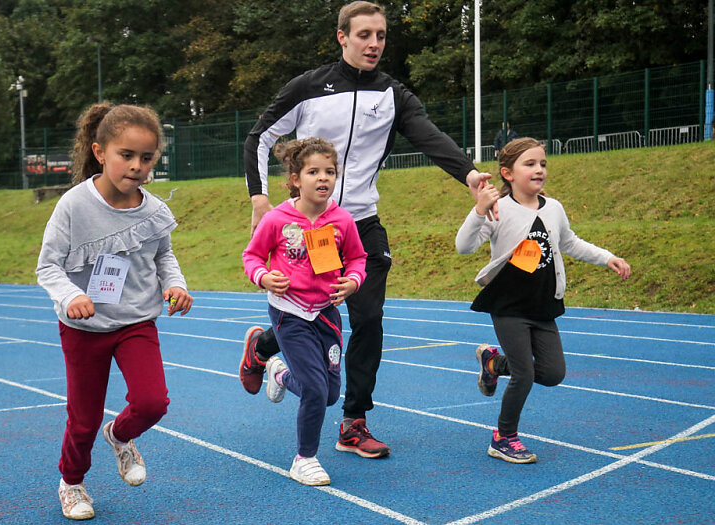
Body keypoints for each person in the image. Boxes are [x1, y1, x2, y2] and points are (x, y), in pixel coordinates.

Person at [240, 0, 492, 458]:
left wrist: (469, 174)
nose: (374, 43)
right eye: (364, 35)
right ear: (342, 37)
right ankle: (263, 347)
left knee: (369, 319)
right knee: (306, 309)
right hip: (308, 227)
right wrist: (259, 196)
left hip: (359, 225)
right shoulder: (309, 87)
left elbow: (429, 136)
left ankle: (353, 421)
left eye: (381, 36)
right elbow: (260, 135)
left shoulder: (393, 94)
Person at [36, 102, 193, 520]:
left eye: (147, 157)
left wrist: (176, 284)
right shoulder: (74, 205)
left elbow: (164, 256)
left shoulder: (155, 211)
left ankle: (120, 436)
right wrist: (71, 295)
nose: (137, 166)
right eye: (127, 155)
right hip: (84, 328)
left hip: (136, 322)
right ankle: (71, 482)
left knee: (152, 403)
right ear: (100, 152)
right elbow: (48, 266)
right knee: (82, 420)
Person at [455, 137, 630, 463]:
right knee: (524, 374)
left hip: (542, 304)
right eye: (530, 164)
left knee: (552, 373)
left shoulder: (554, 208)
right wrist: (479, 210)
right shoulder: (498, 209)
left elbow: (570, 242)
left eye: (542, 164)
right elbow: (464, 246)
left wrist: (607, 257)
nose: (539, 169)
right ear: (507, 173)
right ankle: (503, 437)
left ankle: (494, 364)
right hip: (508, 305)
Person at [243, 137, 367, 485]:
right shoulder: (277, 219)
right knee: (314, 389)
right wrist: (264, 276)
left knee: (329, 394)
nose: (323, 178)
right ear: (296, 179)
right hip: (289, 313)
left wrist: (353, 281)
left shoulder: (342, 220)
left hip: (326, 313)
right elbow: (252, 256)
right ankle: (305, 458)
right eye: (314, 171)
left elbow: (357, 258)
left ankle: (279, 374)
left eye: (330, 171)